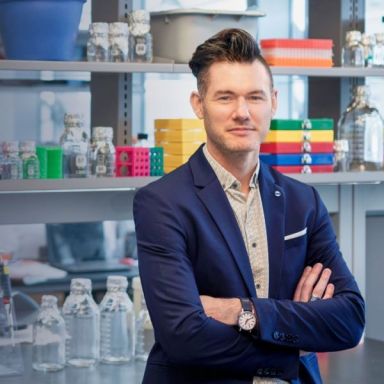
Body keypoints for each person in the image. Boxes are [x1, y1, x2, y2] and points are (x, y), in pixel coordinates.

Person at [133, 29, 365, 384]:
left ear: (273, 101)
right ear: (199, 104)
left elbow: (349, 319)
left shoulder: (303, 202)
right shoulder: (162, 203)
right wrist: (294, 342)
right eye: (225, 97)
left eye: (254, 97)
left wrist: (241, 311)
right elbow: (183, 336)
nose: (242, 112)